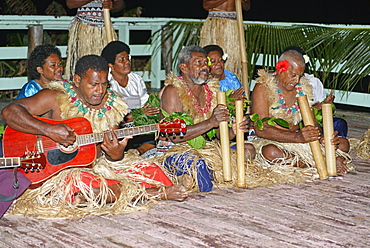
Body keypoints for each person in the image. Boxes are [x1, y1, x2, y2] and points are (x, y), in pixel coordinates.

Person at [1, 55, 187, 219]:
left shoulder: (113, 105)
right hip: (57, 170)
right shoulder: (54, 97)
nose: (99, 90)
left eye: (104, 84)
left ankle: (98, 196)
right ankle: (153, 193)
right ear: (77, 80)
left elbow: (110, 155)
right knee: (77, 182)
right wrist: (49, 130)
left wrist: (116, 153)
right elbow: (10, 112)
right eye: (93, 84)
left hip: (96, 166)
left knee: (151, 169)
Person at [159, 45, 255, 192]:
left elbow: (218, 133)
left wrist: (233, 131)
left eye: (206, 63)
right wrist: (211, 121)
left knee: (248, 150)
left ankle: (193, 177)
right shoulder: (173, 91)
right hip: (175, 151)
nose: (205, 67)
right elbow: (174, 136)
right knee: (199, 165)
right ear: (184, 68)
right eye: (199, 63)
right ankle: (197, 178)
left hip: (205, 149)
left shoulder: (212, 90)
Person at [250, 49, 353, 175]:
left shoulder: (303, 88)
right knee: (270, 152)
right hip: (275, 142)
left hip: (300, 141)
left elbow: (313, 124)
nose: (297, 80)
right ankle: (324, 162)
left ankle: (314, 161)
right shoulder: (263, 87)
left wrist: (321, 137)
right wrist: (297, 137)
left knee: (342, 144)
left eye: (300, 75)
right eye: (293, 75)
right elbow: (261, 129)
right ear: (280, 69)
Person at [281, 46, 349, 146]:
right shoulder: (273, 83)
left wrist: (326, 105)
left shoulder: (313, 81)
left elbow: (322, 109)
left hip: (315, 122)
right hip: (294, 123)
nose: (296, 80)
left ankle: (333, 143)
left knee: (340, 123)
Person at [101, 40, 160, 150]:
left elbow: (144, 102)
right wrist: (137, 114)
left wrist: (150, 110)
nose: (127, 62)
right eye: (121, 60)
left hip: (140, 128)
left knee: (154, 137)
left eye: (128, 58)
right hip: (119, 131)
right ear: (111, 65)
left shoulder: (136, 79)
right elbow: (111, 116)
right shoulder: (106, 84)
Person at [64, 0, 124, 80]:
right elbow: (70, 3)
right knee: (83, 68)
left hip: (104, 30)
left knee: (108, 64)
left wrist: (112, 5)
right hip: (84, 30)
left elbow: (120, 5)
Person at [199, 0, 251, 81]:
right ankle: (210, 87)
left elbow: (247, 7)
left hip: (233, 26)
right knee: (212, 59)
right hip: (216, 25)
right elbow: (206, 5)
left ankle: (231, 86)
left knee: (233, 62)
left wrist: (243, 2)